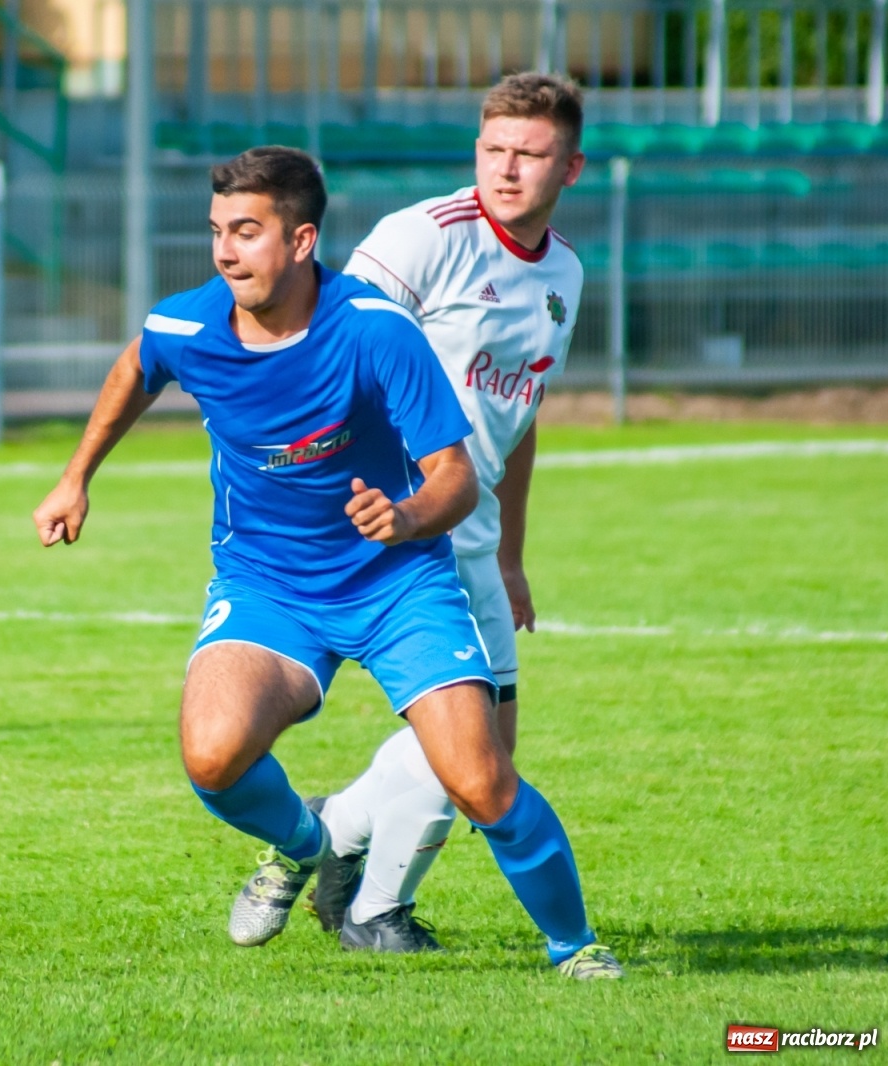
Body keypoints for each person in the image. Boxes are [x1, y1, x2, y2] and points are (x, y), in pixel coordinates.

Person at [32, 145, 620, 978]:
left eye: (247, 232)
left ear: (302, 240)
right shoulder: (189, 323)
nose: (226, 252)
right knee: (211, 755)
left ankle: (577, 949)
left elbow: (454, 476)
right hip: (267, 587)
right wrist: (74, 478)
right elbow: (137, 364)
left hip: (398, 583)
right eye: (216, 232)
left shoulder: (375, 330)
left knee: (483, 780)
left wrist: (404, 514)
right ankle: (309, 841)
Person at [307, 72, 590, 955]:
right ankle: (373, 913)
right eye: (495, 149)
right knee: (474, 755)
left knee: (483, 751)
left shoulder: (566, 274)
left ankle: (338, 829)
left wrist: (511, 554)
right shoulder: (423, 237)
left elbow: (522, 417)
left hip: (475, 536)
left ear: (571, 167)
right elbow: (335, 345)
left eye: (531, 154)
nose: (508, 169)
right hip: (407, 523)